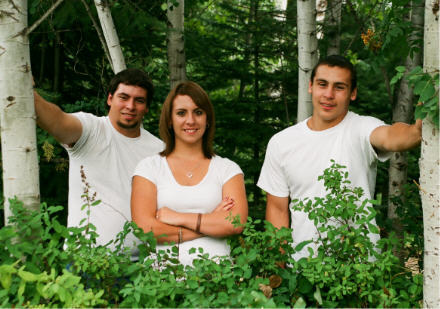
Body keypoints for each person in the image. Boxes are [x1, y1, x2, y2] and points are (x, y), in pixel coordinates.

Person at [257, 55, 422, 260]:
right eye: (322, 84)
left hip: (360, 269)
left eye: (339, 87)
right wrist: (277, 269)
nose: (328, 94)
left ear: (352, 93)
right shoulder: (282, 143)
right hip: (302, 271)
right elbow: (277, 211)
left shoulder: (361, 128)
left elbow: (392, 136)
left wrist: (417, 129)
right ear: (311, 86)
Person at [34, 68, 163, 258]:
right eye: (123, 97)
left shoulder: (159, 149)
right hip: (87, 263)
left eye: (139, 100)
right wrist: (28, 90)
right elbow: (57, 122)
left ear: (147, 107)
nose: (130, 106)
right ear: (110, 99)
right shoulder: (90, 130)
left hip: (142, 268)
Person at [131, 81, 248, 266]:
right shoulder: (148, 168)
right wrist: (208, 223)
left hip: (218, 282)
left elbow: (235, 224)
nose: (191, 120)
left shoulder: (228, 169)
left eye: (198, 112)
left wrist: (178, 217)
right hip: (160, 285)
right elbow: (145, 229)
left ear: (207, 119)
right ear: (170, 120)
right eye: (181, 113)